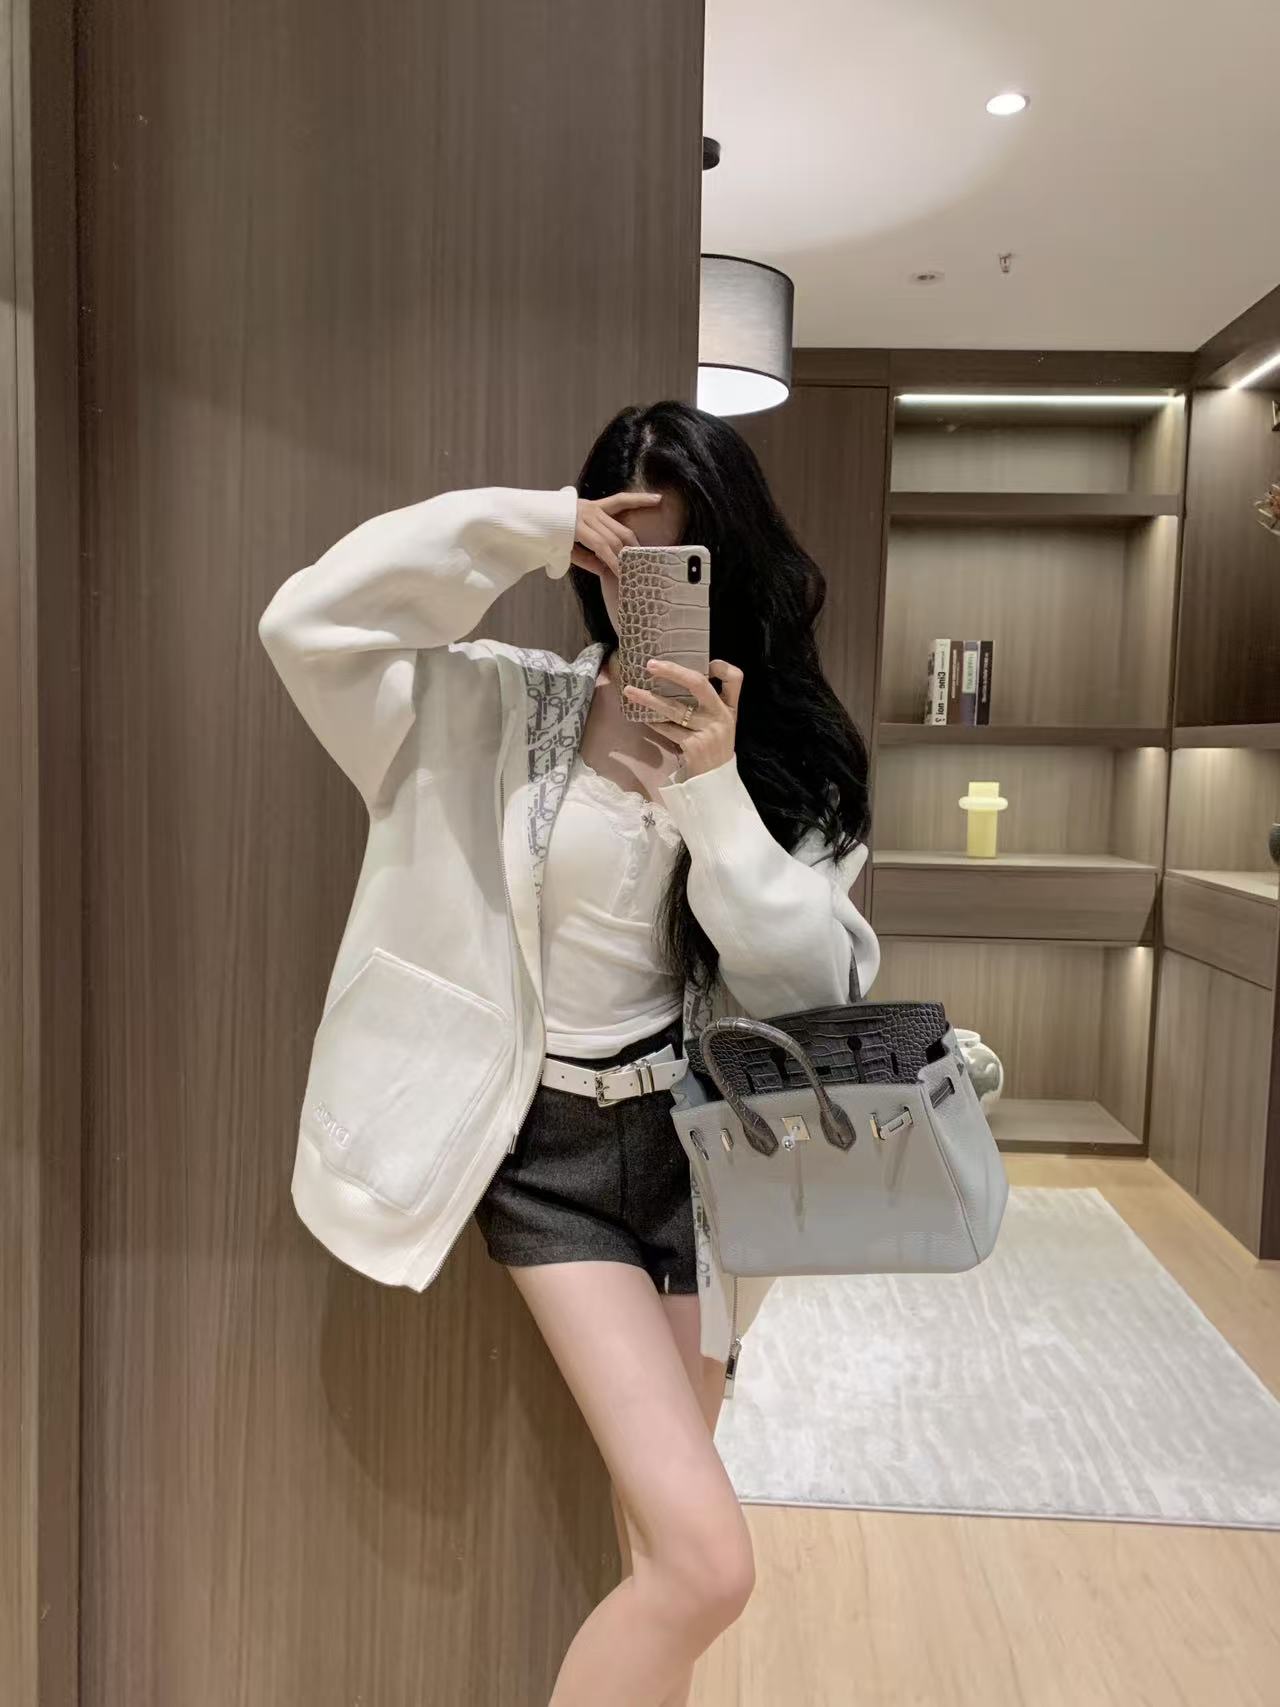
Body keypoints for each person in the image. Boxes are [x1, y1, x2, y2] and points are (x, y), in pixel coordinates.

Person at [258, 399, 879, 1706]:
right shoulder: (485, 709)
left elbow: (810, 985)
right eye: (627, 552)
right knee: (709, 1568)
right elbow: (306, 624)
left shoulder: (786, 754)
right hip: (550, 1164)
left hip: (703, 1158)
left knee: (663, 1557)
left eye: (685, 554)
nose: (653, 585)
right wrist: (527, 526)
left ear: (733, 559)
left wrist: (714, 789)